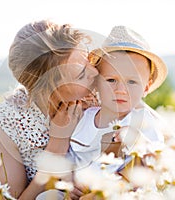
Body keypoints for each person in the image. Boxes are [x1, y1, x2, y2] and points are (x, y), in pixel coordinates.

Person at [0, 20, 99, 199]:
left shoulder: (100, 94)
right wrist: (55, 150)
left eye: (88, 59)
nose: (95, 72)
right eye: (81, 74)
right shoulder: (0, 124)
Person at [67, 25, 168, 176]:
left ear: (146, 88)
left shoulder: (145, 122)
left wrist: (140, 142)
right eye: (111, 80)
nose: (121, 90)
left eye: (132, 82)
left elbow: (156, 163)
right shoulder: (84, 117)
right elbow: (69, 159)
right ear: (96, 83)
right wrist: (71, 181)